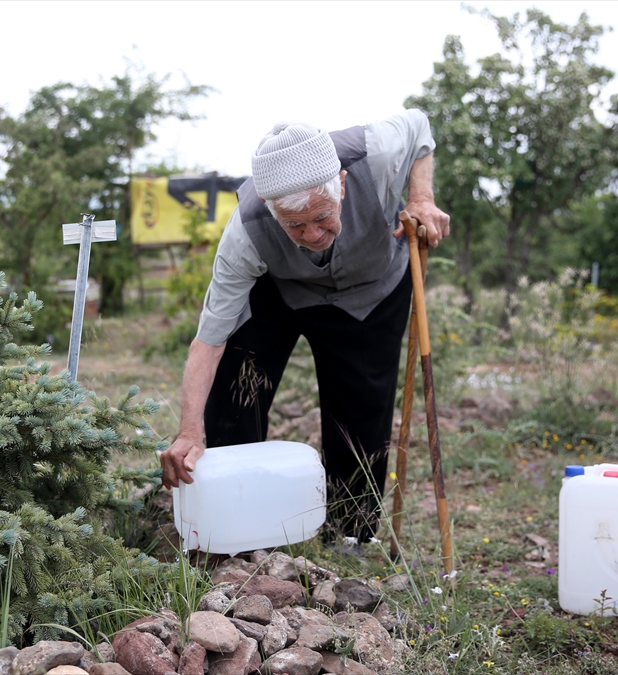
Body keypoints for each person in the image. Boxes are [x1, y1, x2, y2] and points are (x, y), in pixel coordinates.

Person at [158, 111, 450, 549]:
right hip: (284, 291)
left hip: (371, 291)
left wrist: (421, 196)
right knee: (237, 387)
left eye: (322, 216)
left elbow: (420, 127)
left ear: (343, 185)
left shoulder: (377, 152)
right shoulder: (246, 233)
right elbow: (210, 339)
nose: (313, 233)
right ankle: (229, 523)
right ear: (273, 211)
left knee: (361, 410)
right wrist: (187, 430)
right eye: (295, 225)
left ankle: (349, 533)